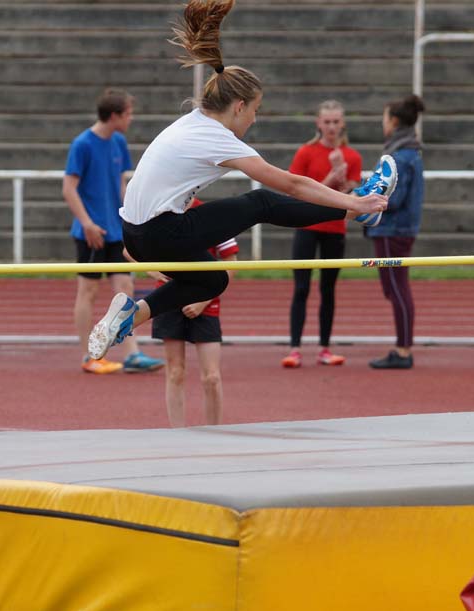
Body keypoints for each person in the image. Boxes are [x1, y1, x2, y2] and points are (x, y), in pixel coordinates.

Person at [87, 0, 395, 363]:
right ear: (238, 107)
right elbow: (291, 185)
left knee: (212, 280)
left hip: (135, 235)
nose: (254, 120)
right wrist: (353, 202)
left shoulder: (193, 122)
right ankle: (361, 209)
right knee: (260, 202)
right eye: (254, 110)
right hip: (158, 233)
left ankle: (131, 315)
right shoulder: (216, 137)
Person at [62, 88, 164, 374]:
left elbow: (121, 184)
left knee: (125, 288)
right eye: (128, 114)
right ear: (114, 115)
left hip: (116, 231)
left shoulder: (118, 142)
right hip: (91, 233)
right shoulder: (82, 144)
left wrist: (132, 218)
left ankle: (132, 353)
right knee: (88, 291)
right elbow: (68, 188)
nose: (131, 119)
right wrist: (87, 223)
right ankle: (88, 356)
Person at [281, 100, 363, 369]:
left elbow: (351, 197)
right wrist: (330, 176)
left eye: (335, 122)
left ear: (343, 123)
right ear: (318, 123)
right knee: (301, 288)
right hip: (307, 227)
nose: (331, 127)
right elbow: (297, 192)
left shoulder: (352, 156)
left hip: (334, 228)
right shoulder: (306, 152)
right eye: (327, 122)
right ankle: (294, 348)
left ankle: (324, 348)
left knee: (328, 289)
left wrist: (343, 179)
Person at [151, 199, 238, 427]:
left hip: (206, 302)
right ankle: (177, 433)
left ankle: (214, 433)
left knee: (212, 377)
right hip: (169, 301)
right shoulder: (159, 213)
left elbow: (231, 261)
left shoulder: (212, 214)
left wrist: (204, 300)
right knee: (175, 372)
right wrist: (154, 272)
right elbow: (129, 249)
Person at [367, 95, 426, 370]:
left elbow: (393, 198)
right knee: (395, 288)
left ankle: (403, 349)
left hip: (393, 229)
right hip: (398, 228)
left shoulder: (400, 156)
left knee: (397, 289)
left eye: (384, 118)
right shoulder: (408, 151)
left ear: (393, 121)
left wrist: (361, 200)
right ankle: (403, 346)